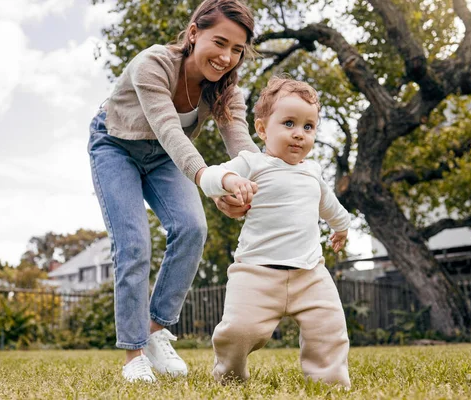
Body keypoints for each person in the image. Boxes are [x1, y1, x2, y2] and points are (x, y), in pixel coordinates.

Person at [87, 0, 260, 383]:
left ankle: (154, 332)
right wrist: (214, 183)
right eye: (220, 42)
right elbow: (168, 130)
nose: (227, 57)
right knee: (133, 244)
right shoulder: (153, 64)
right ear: (194, 33)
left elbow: (242, 147)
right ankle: (134, 354)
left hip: (165, 158)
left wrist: (260, 186)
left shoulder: (226, 91)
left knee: (193, 228)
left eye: (237, 49)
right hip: (116, 144)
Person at [199, 76, 352, 388]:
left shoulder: (313, 172)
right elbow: (210, 176)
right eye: (289, 123)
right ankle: (229, 377)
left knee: (329, 328)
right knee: (239, 331)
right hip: (255, 272)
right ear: (262, 129)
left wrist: (342, 227)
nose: (299, 134)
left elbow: (330, 206)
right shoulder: (252, 163)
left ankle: (330, 383)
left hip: (310, 273)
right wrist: (229, 180)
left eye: (308, 127)